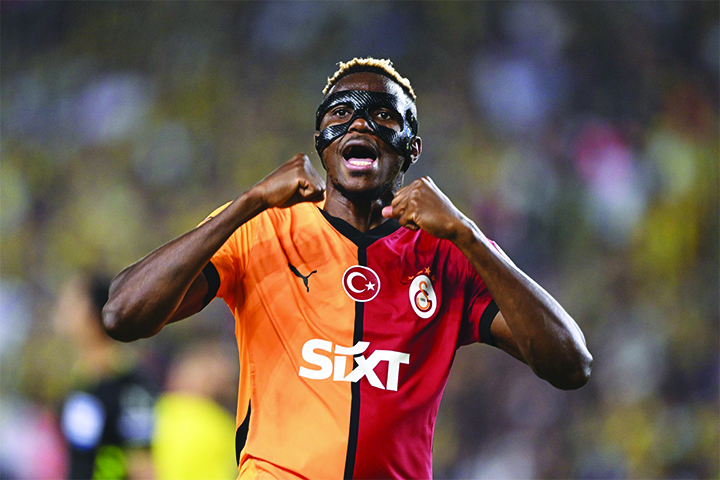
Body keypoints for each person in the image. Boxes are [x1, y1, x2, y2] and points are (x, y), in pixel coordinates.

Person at [103, 57, 593, 479]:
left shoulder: (447, 252)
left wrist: (467, 233)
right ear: (321, 138)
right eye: (341, 113)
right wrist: (247, 202)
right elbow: (122, 314)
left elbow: (571, 365)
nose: (360, 125)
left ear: (411, 148)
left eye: (383, 115)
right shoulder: (262, 227)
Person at [56, 274, 157, 479]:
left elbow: (143, 467)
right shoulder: (82, 382)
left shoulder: (130, 387)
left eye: (72, 303)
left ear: (93, 313)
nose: (61, 309)